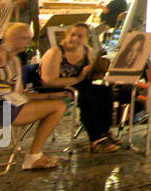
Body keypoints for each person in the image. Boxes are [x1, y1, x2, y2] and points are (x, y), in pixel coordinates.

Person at [0, 23, 70, 170]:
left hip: (7, 104)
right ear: (13, 38)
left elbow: (22, 94)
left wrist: (52, 95)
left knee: (58, 105)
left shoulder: (15, 60)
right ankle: (34, 157)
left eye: (29, 39)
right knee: (58, 107)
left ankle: (35, 155)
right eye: (25, 39)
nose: (28, 43)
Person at [39, 22, 122, 152]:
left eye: (80, 36)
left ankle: (104, 132)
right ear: (67, 35)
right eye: (72, 35)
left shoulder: (86, 50)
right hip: (60, 86)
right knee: (86, 98)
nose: (75, 39)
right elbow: (48, 81)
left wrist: (96, 72)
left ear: (85, 38)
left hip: (80, 84)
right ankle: (95, 139)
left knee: (105, 92)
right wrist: (78, 78)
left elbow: (87, 75)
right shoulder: (55, 53)